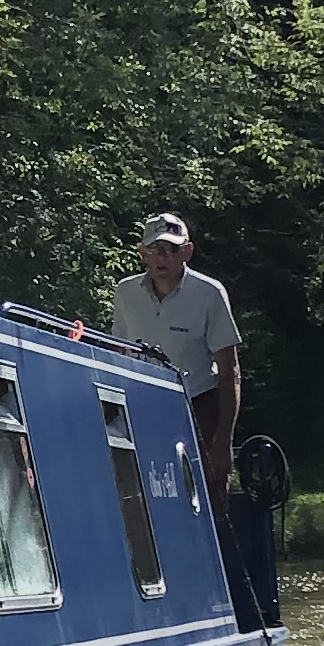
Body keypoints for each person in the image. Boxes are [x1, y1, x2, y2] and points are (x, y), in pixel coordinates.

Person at [109, 212, 243, 513]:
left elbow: (229, 372)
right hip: (143, 408)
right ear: (143, 254)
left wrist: (223, 441)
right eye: (155, 249)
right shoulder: (126, 292)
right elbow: (119, 355)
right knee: (145, 498)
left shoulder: (209, 293)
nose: (162, 257)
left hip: (198, 406)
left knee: (209, 501)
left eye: (171, 249)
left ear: (187, 252)